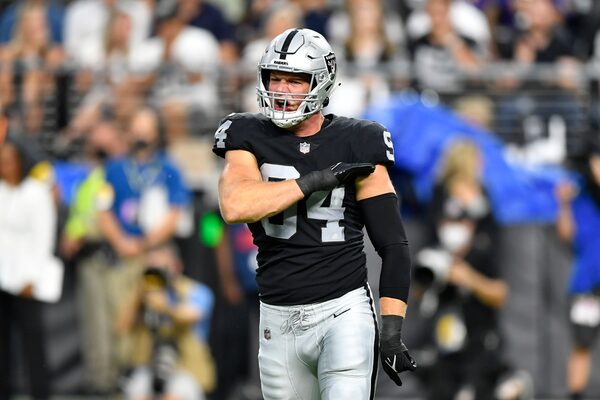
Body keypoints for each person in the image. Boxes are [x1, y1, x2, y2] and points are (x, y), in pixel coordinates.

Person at [212, 28, 416, 399]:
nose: (281, 90)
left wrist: (391, 331)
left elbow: (394, 245)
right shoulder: (247, 133)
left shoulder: (358, 140)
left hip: (343, 312)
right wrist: (313, 182)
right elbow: (234, 205)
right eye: (275, 78)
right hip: (276, 317)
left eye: (295, 80)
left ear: (320, 83)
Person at [0, 137, 62, 400]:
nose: (5, 166)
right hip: (2, 280)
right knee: (2, 347)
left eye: (9, 161)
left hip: (27, 282)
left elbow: (44, 239)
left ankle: (41, 395)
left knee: (33, 344)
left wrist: (32, 277)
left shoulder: (36, 193)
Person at [116, 245, 216, 400]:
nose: (158, 274)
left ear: (177, 266)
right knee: (137, 392)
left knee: (174, 395)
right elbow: (120, 326)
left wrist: (166, 306)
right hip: (149, 366)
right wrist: (138, 295)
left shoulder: (195, 291)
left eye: (163, 268)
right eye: (152, 269)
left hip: (185, 368)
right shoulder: (143, 295)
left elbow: (191, 315)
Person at [555, 144, 600, 400]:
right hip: (588, 285)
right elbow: (568, 235)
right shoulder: (581, 198)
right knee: (581, 344)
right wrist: (562, 203)